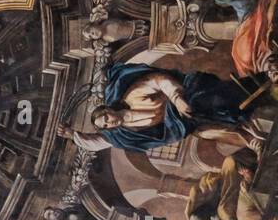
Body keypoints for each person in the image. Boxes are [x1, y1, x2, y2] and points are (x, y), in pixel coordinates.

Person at [79, 63, 258, 153]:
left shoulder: (132, 96)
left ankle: (252, 97)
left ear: (109, 109)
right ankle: (250, 138)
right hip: (184, 119)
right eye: (106, 125)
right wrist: (74, 135)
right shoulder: (129, 131)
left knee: (197, 101)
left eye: (107, 118)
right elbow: (98, 142)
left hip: (185, 94)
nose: (110, 122)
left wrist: (177, 98)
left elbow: (159, 80)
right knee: (204, 132)